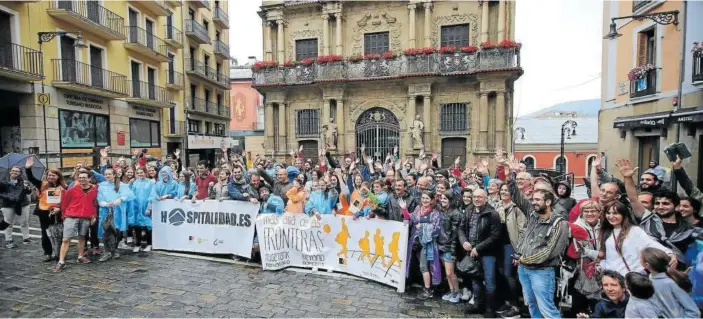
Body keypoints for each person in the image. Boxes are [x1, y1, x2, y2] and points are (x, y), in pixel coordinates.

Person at [598, 201, 673, 277]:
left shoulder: (634, 230)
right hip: (616, 279)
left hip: (635, 278)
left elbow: (650, 244)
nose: (611, 216)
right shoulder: (606, 233)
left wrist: (669, 253)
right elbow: (610, 259)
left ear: (623, 215)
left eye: (615, 213)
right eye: (608, 213)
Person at [459, 189, 501, 317]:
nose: (476, 199)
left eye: (480, 197)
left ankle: (490, 309)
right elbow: (461, 228)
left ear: (485, 198)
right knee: (475, 278)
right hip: (471, 251)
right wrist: (464, 242)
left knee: (489, 281)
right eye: (475, 197)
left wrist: (478, 248)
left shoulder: (492, 214)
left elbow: (495, 236)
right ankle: (478, 304)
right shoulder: (469, 210)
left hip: (487, 253)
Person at [54, 171, 97, 272]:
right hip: (71, 216)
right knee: (66, 239)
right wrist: (64, 216)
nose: (82, 179)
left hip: (86, 217)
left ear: (89, 179)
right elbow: (64, 203)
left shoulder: (95, 190)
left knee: (82, 237)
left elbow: (94, 204)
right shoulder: (72, 190)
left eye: (84, 177)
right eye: (80, 177)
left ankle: (80, 256)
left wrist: (94, 215)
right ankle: (61, 261)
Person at [25, 157, 67, 261]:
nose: (50, 177)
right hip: (44, 212)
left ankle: (58, 253)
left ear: (58, 176)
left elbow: (67, 200)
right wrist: (28, 169)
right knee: (45, 233)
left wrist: (60, 209)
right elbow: (31, 179)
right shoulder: (42, 185)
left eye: (53, 175)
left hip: (58, 213)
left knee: (59, 233)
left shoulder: (64, 187)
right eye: (49, 175)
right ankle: (47, 253)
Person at [494, 183, 525, 318]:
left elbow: (523, 230)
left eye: (507, 190)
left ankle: (515, 305)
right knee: (501, 274)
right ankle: (507, 301)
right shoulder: (497, 205)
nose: (504, 192)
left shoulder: (517, 208)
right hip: (498, 245)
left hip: (511, 245)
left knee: (509, 274)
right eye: (502, 190)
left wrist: (519, 250)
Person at [641, 247, 700, 318]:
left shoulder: (669, 283)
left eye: (640, 258)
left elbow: (694, 311)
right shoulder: (651, 281)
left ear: (647, 265)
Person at [406, 191, 443, 300]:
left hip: (427, 243)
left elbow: (436, 229)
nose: (424, 200)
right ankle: (426, 286)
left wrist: (422, 227)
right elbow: (410, 218)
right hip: (416, 241)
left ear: (432, 200)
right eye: (423, 198)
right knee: (419, 264)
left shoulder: (435, 213)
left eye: (427, 198)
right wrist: (404, 209)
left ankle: (428, 289)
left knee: (424, 266)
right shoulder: (418, 208)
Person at [97, 168, 134, 262]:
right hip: (105, 211)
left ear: (114, 175)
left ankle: (114, 249)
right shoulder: (101, 185)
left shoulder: (121, 185)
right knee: (106, 231)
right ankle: (107, 251)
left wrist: (121, 199)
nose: (107, 176)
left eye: (109, 174)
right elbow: (99, 197)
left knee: (116, 231)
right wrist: (104, 203)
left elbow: (129, 195)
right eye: (105, 174)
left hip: (117, 211)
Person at [437, 191, 463, 304]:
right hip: (441, 244)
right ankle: (451, 290)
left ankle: (457, 291)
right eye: (442, 198)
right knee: (447, 272)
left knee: (450, 272)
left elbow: (455, 234)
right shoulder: (442, 211)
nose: (442, 200)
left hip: (449, 246)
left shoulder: (456, 214)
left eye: (445, 199)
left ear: (451, 200)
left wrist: (453, 250)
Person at [0, 166, 33, 248]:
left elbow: (29, 193)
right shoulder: (3, 181)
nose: (14, 172)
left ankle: (26, 238)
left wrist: (28, 188)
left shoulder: (24, 182)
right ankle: (9, 240)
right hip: (8, 204)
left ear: (20, 173)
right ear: (10, 172)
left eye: (17, 171)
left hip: (22, 204)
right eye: (13, 171)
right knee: (8, 223)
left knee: (24, 222)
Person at [128, 167, 156, 253]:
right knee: (136, 226)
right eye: (138, 172)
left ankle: (149, 244)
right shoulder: (135, 183)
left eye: (142, 172)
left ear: (145, 173)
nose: (140, 174)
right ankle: (137, 244)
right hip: (137, 208)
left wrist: (149, 208)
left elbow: (152, 195)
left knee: (148, 226)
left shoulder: (151, 182)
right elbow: (131, 194)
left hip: (145, 207)